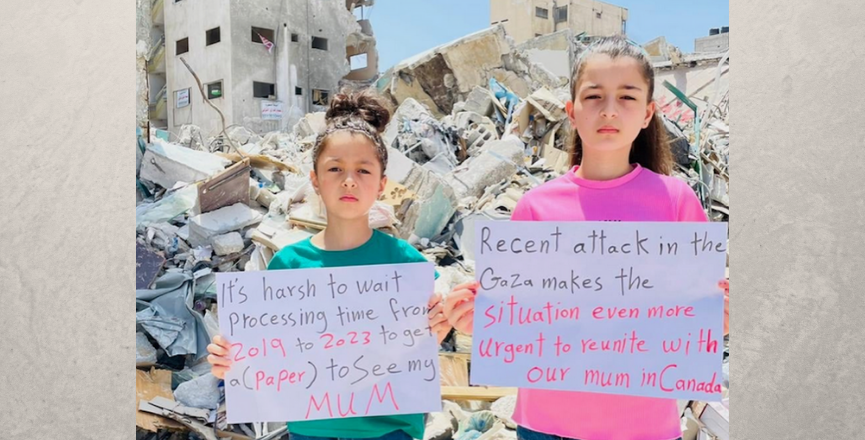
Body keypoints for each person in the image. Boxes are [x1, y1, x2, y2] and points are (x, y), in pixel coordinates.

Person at [443, 35, 730, 440]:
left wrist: (718, 318)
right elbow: (520, 319)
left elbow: (694, 317)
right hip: (545, 425)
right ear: (571, 111)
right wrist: (479, 319)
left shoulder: (677, 204)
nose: (609, 109)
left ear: (649, 113)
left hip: (643, 427)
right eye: (593, 96)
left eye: (627, 97)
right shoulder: (535, 208)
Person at [206, 89, 452, 440]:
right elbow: (266, 358)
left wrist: (437, 330)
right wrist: (229, 360)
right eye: (335, 168)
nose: (349, 180)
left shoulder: (407, 265)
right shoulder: (287, 266)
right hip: (311, 432)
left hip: (389, 432)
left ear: (382, 184)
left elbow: (422, 344)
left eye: (363, 170)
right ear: (315, 181)